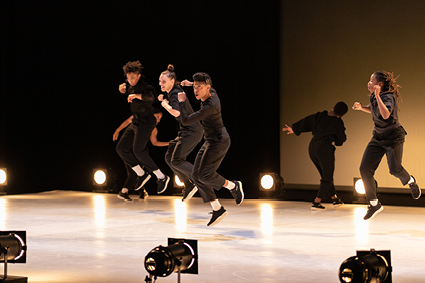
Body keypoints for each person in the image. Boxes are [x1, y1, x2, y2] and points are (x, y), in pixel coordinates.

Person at [353, 70, 421, 220]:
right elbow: (374, 110)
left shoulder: (388, 97)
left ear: (380, 84)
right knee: (365, 168)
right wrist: (361, 107)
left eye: (372, 81)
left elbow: (385, 115)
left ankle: (410, 181)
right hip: (378, 137)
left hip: (393, 137)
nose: (369, 83)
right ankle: (374, 203)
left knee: (395, 169)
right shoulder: (373, 97)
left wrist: (377, 96)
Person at [178, 72, 244, 226]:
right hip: (209, 140)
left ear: (207, 87)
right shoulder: (211, 92)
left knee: (205, 175)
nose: (196, 91)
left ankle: (233, 185)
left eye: (199, 87)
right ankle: (217, 209)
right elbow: (202, 87)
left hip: (219, 142)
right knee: (196, 175)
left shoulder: (210, 106)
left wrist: (181, 102)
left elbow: (186, 121)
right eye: (195, 87)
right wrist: (189, 84)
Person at [115, 61, 170, 202]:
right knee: (121, 148)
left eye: (133, 77)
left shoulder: (147, 87)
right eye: (128, 77)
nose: (130, 80)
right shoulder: (128, 85)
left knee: (138, 150)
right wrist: (122, 88)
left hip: (146, 121)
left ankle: (162, 177)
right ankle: (142, 174)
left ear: (139, 76)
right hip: (136, 122)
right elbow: (124, 87)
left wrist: (136, 96)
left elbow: (150, 97)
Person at [282, 102, 348, 210]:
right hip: (325, 148)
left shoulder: (321, 115)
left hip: (313, 147)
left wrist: (294, 128)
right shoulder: (337, 122)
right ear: (341, 114)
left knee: (325, 174)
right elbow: (341, 140)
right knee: (327, 175)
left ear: (333, 107)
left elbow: (307, 121)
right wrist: (335, 139)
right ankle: (317, 201)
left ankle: (334, 198)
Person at [157, 64, 203, 202]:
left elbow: (176, 112)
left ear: (172, 81)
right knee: (169, 157)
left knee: (176, 160)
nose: (161, 84)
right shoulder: (172, 91)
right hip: (185, 130)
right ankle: (188, 184)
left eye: (164, 82)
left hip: (193, 130)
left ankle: (199, 177)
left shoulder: (175, 93)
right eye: (160, 81)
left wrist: (165, 105)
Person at [113, 107, 169, 201]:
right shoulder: (139, 117)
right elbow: (128, 121)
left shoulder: (152, 128)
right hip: (129, 151)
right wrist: (117, 130)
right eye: (157, 117)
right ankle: (141, 177)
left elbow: (154, 142)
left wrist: (168, 143)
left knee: (136, 157)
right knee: (120, 149)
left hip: (139, 150)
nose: (158, 120)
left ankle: (128, 190)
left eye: (160, 118)